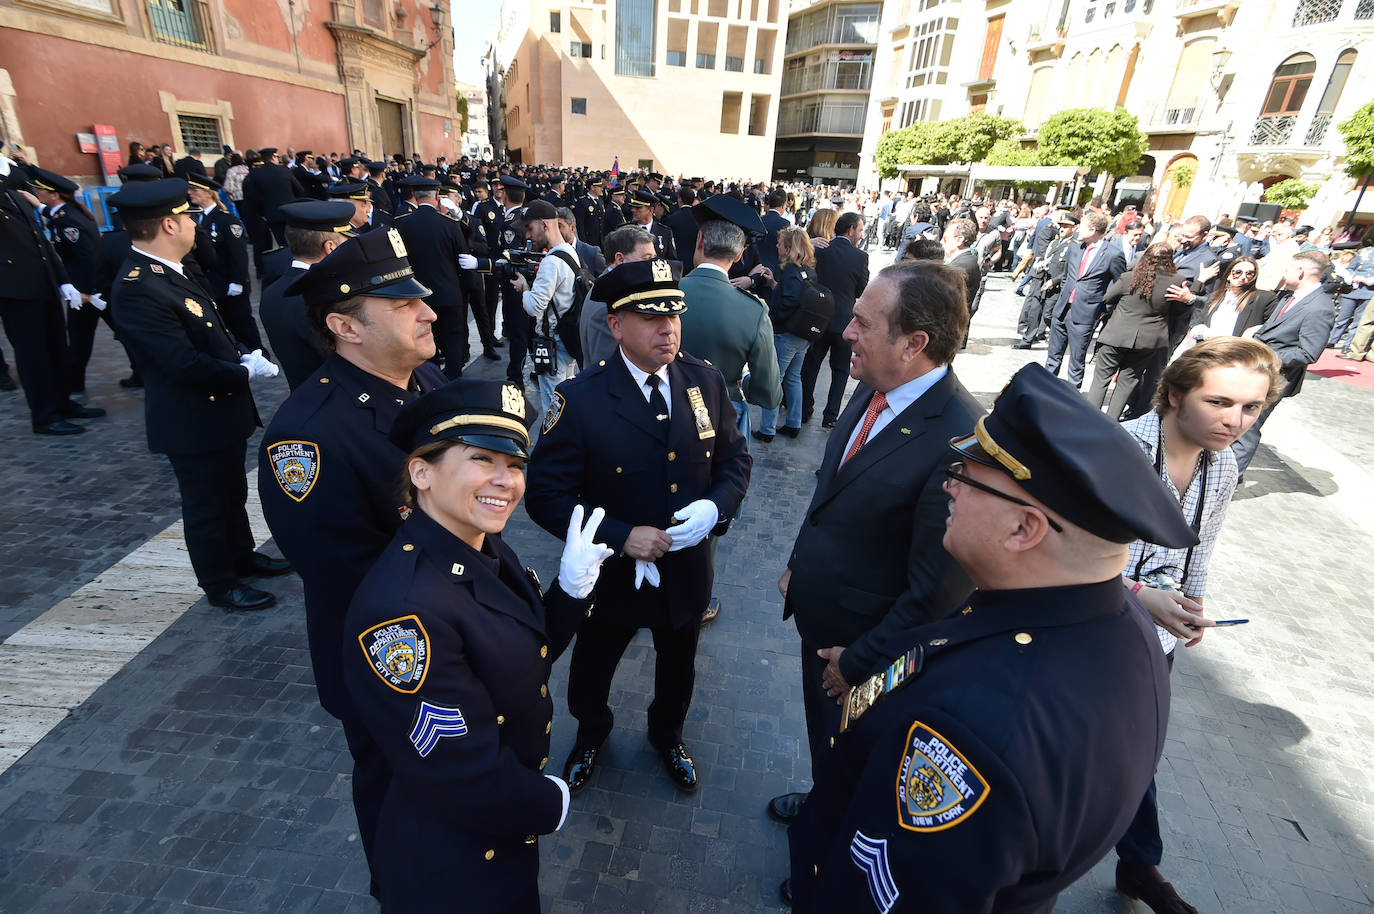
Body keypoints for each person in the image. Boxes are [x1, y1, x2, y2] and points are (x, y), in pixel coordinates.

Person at [785, 360, 1199, 911]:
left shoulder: (974, 729)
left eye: (967, 476)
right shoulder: (1122, 623)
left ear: (1024, 529)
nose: (949, 487)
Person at [342, 379, 612, 914]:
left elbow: (517, 657)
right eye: (481, 459)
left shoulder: (481, 544)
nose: (505, 481)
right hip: (455, 857)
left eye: (514, 464)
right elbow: (457, 769)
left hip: (494, 830)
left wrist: (572, 591)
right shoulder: (404, 612)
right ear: (421, 473)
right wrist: (548, 802)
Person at [258, 226, 448, 899]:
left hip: (454, 638)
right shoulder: (305, 438)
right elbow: (349, 576)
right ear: (344, 326)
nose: (429, 312)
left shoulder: (424, 378)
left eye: (420, 300)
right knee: (399, 801)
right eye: (403, 307)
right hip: (391, 662)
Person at [768, 260, 983, 828]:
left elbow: (939, 589)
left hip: (866, 655)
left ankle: (831, 853)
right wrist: (798, 562)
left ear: (915, 343)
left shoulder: (959, 440)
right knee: (830, 747)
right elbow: (830, 490)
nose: (846, 332)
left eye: (863, 322)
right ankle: (825, 804)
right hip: (827, 625)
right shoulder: (878, 385)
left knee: (862, 760)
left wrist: (860, 662)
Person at [524, 258, 752, 795]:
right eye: (650, 318)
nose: (667, 329)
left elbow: (735, 461)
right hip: (610, 575)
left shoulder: (704, 380)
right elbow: (544, 495)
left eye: (674, 316)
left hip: (687, 568)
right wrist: (621, 536)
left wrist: (716, 508)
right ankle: (591, 735)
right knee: (592, 669)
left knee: (679, 666)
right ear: (616, 325)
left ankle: (667, 735)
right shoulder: (581, 399)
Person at [1111, 337, 1283, 914]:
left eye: (1251, 408)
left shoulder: (1225, 462)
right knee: (1092, 749)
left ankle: (1139, 865)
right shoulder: (1121, 448)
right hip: (1087, 628)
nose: (1234, 421)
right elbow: (1057, 552)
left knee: (1138, 750)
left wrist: (1192, 599)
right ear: (1175, 393)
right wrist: (1140, 594)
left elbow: (1203, 540)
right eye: (1219, 402)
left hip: (1155, 635)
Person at [109, 179, 286, 611]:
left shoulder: (174, 270)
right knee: (206, 505)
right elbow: (181, 363)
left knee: (231, 494)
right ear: (169, 224)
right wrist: (241, 371)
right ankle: (221, 583)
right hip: (191, 417)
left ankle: (242, 556)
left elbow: (214, 332)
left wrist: (241, 354)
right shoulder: (138, 287)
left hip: (218, 412)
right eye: (188, 216)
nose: (193, 223)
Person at [0, 158, 104, 434]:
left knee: (57, 348)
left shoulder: (16, 198)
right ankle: (44, 416)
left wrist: (63, 281)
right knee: (33, 355)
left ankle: (63, 402)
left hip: (44, 285)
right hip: (16, 291)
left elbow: (42, 242)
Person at [1232, 250, 1335, 475]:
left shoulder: (1319, 308)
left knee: (1247, 428)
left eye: (1287, 269)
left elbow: (1308, 353)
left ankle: (1231, 479)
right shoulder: (1289, 296)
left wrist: (1262, 352)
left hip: (1275, 377)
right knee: (1235, 421)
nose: (1283, 273)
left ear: (1300, 272)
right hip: (1256, 371)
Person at [258, 200, 354, 390]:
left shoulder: (271, 292)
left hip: (303, 395)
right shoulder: (325, 296)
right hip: (341, 399)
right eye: (345, 240)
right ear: (330, 247)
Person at [1086, 242, 1188, 419]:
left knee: (1101, 380)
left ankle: (1089, 419)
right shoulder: (1177, 281)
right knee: (1127, 382)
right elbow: (1179, 311)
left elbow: (1108, 298)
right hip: (1148, 341)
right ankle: (1110, 422)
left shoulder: (1129, 277)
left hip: (1116, 336)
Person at [29, 167, 107, 396]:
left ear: (54, 194)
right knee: (120, 331)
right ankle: (139, 372)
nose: (36, 192)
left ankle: (74, 383)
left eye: (40, 190)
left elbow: (86, 258)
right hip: (94, 285)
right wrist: (37, 205)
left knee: (79, 337)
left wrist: (85, 292)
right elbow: (55, 217)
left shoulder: (68, 221)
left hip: (87, 288)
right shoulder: (69, 212)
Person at [393, 175, 473, 379]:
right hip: (449, 292)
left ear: (415, 196)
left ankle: (432, 380)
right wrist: (465, 287)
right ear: (437, 195)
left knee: (425, 339)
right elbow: (462, 258)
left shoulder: (402, 224)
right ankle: (453, 380)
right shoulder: (449, 223)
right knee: (454, 338)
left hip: (418, 296)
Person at [509, 199, 580, 415]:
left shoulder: (551, 262)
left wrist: (524, 288)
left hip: (554, 344)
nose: (528, 236)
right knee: (566, 399)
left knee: (553, 405)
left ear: (545, 225)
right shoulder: (568, 251)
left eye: (530, 228)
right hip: (566, 341)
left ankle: (556, 445)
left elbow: (533, 307)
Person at [800, 211, 867, 429]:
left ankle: (804, 409)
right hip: (843, 321)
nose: (860, 234)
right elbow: (860, 289)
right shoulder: (860, 256)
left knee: (811, 366)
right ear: (851, 230)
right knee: (840, 370)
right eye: (860, 230)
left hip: (818, 317)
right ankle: (830, 416)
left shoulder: (820, 250)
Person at [1045, 210, 1127, 387]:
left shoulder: (1112, 254)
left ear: (1092, 229)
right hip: (1063, 310)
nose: (1077, 230)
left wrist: (1104, 308)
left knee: (1076, 361)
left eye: (1081, 226)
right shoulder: (1075, 248)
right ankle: (1045, 390)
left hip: (1085, 314)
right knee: (1053, 357)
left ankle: (1072, 398)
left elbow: (1120, 283)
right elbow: (1067, 275)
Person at [186, 173, 265, 352]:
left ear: (208, 193)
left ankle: (258, 353)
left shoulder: (226, 220)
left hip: (229, 282)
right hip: (211, 283)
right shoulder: (196, 218)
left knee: (242, 322)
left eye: (194, 190)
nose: (190, 193)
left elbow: (238, 255)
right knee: (224, 323)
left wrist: (237, 281)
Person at [753, 226, 818, 442]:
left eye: (780, 243)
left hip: (787, 334)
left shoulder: (790, 270)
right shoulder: (808, 269)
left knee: (775, 379)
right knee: (793, 378)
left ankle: (767, 429)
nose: (777, 245)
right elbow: (797, 295)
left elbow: (790, 301)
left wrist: (773, 318)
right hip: (803, 335)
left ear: (788, 247)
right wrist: (774, 283)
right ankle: (793, 423)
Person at [579, 225, 659, 368]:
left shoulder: (612, 291)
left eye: (654, 258)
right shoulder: (606, 304)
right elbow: (606, 368)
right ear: (620, 259)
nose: (652, 265)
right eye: (646, 258)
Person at [1012, 211, 1078, 349]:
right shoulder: (1054, 242)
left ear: (1073, 228)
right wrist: (1041, 264)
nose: (1062, 228)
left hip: (1055, 286)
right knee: (1034, 311)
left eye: (1066, 226)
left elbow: (1070, 270)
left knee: (1049, 314)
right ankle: (1027, 341)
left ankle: (1059, 337)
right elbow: (1047, 258)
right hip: (1042, 280)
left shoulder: (1073, 246)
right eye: (1061, 225)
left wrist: (1055, 281)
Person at [1180, 256, 1276, 349]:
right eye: (1238, 272)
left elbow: (1273, 326)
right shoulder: (1214, 297)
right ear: (1229, 275)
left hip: (1236, 355)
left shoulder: (1263, 299)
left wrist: (1254, 332)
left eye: (1249, 274)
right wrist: (1205, 333)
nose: (1243, 277)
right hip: (1208, 350)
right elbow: (1195, 324)